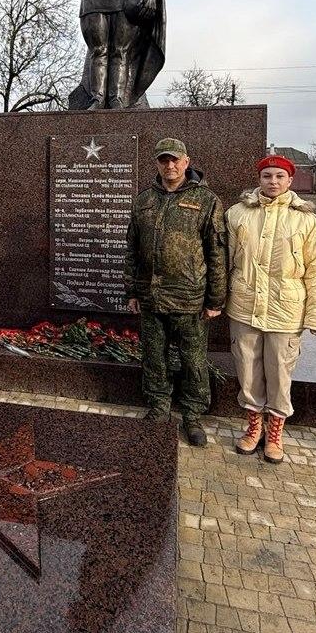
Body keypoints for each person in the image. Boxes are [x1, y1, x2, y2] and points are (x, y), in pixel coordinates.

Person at [225, 155, 316, 463]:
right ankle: (253, 426)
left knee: (280, 372)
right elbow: (225, 260)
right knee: (247, 370)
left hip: (286, 311)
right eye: (267, 176)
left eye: (279, 177)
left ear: (289, 181)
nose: (273, 182)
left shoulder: (306, 219)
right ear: (259, 178)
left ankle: (275, 433)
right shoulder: (238, 214)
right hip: (244, 306)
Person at [125, 138, 226, 446]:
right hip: (151, 297)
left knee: (193, 360)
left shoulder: (207, 200)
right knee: (154, 357)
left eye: (175, 160)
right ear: (157, 163)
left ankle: (192, 416)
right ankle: (158, 408)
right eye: (163, 160)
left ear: (186, 162)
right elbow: (131, 249)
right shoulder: (144, 199)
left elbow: (217, 253)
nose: (169, 165)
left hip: (189, 297)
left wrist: (216, 299)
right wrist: (132, 291)